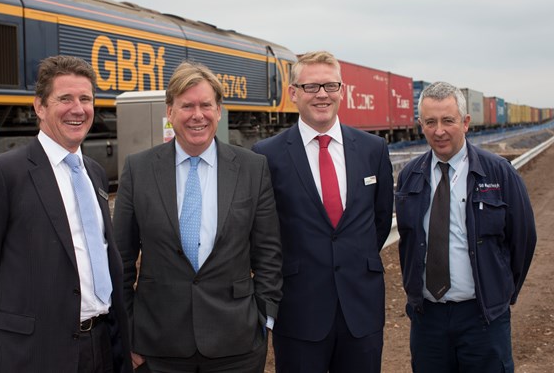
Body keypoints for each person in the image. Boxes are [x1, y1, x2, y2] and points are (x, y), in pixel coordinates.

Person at [0, 55, 133, 372]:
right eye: (65, 98)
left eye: (85, 99)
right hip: (33, 354)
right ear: (39, 107)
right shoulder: (2, 173)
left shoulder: (93, 173)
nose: (78, 109)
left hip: (103, 345)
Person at [113, 61, 282, 373]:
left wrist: (264, 320)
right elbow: (120, 260)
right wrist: (129, 329)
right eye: (186, 105)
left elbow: (268, 253)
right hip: (157, 347)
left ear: (218, 110)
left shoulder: (252, 168)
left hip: (238, 345)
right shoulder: (138, 169)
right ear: (170, 111)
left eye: (206, 105)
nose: (197, 115)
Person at [252, 51, 394, 373]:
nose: (322, 95)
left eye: (330, 86)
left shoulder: (373, 149)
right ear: (293, 94)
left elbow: (381, 220)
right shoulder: (267, 155)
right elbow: (263, 233)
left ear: (342, 91)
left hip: (361, 309)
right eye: (311, 87)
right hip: (300, 312)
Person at [395, 81, 537, 372]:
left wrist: (499, 293)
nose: (439, 131)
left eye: (448, 120)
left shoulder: (498, 172)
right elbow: (407, 242)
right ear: (420, 123)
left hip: (482, 318)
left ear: (466, 122)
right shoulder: (410, 176)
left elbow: (523, 239)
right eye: (430, 122)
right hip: (427, 319)